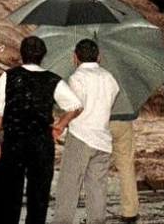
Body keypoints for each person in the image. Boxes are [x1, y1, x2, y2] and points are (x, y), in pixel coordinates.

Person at [0, 37, 83, 224]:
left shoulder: (8, 76)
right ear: (43, 56)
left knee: (10, 195)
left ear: (21, 54)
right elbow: (76, 106)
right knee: (38, 197)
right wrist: (60, 126)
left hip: (15, 142)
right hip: (41, 143)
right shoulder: (53, 79)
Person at [53, 39, 120, 224]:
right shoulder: (110, 78)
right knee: (97, 189)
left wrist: (61, 124)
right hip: (103, 140)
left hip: (81, 137)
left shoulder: (76, 78)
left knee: (69, 186)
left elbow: (76, 107)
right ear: (99, 57)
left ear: (75, 57)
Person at [110, 114, 139, 224]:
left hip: (98, 120)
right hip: (122, 121)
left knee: (97, 169)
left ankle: (95, 210)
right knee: (126, 166)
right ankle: (130, 212)